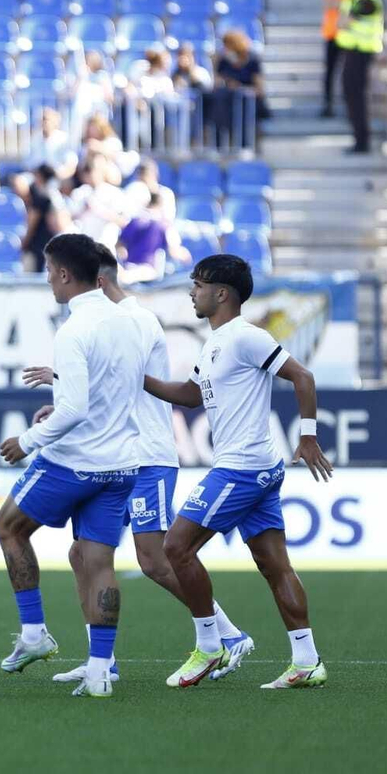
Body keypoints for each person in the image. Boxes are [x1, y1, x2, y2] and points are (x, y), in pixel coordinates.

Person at [21, 247, 251, 688]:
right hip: (116, 454)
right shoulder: (114, 322)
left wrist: (64, 382)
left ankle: (227, 632)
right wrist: (63, 392)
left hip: (147, 454)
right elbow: (105, 387)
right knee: (82, 554)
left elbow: (121, 379)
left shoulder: (135, 319)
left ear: (101, 283)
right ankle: (100, 662)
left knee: (153, 558)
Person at [143, 253, 335, 690]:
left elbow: (302, 376)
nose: (192, 291)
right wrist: (139, 378)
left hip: (242, 468)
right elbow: (190, 396)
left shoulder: (246, 337)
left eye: (198, 284)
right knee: (273, 565)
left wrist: (307, 437)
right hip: (254, 467)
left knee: (176, 547)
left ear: (222, 293)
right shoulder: (212, 343)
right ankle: (306, 661)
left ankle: (210, 645)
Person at [0, 233, 146, 698]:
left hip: (74, 461)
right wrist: (60, 395)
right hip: (121, 463)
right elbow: (113, 385)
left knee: (8, 528)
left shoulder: (74, 329)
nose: (47, 281)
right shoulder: (127, 321)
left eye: (47, 272)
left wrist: (28, 440)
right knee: (95, 560)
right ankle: (100, 671)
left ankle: (35, 634)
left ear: (62, 274)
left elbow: (76, 409)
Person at [336, 0, 384, 154]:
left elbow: (365, 8)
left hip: (361, 49)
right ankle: (359, 139)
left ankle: (362, 141)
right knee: (353, 95)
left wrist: (346, 20)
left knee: (357, 97)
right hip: (355, 49)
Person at [320, 0, 360, 117]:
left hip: (352, 33)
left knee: (351, 73)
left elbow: (360, 6)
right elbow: (329, 2)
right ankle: (328, 104)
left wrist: (343, 4)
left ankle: (351, 105)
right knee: (331, 70)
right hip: (333, 31)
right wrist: (346, 4)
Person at [22, 108, 78, 181]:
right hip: (36, 178)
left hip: (57, 178)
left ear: (56, 122)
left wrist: (59, 177)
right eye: (42, 119)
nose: (44, 122)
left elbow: (71, 166)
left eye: (47, 119)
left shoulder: (65, 140)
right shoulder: (35, 139)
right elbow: (28, 165)